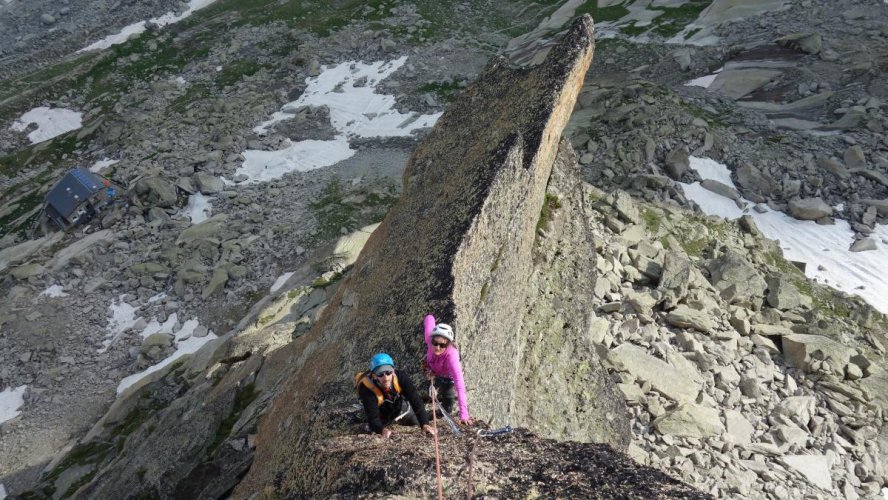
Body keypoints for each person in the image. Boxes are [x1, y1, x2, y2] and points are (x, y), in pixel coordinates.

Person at [355, 352, 436, 438]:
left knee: (417, 421)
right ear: (374, 376)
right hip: (379, 414)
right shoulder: (367, 389)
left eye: (388, 372)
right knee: (369, 427)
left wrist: (425, 424)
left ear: (393, 371)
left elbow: (416, 401)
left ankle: (429, 416)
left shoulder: (401, 377)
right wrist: (381, 430)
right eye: (380, 374)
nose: (385, 378)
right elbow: (373, 418)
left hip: (400, 409)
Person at [422, 314, 472, 424]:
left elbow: (459, 384)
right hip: (432, 371)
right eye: (435, 343)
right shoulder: (428, 338)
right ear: (432, 339)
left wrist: (464, 414)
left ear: (448, 344)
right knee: (427, 394)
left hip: (448, 378)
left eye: (442, 345)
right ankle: (420, 418)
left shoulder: (452, 356)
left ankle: (431, 416)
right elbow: (429, 318)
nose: (437, 347)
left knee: (447, 408)